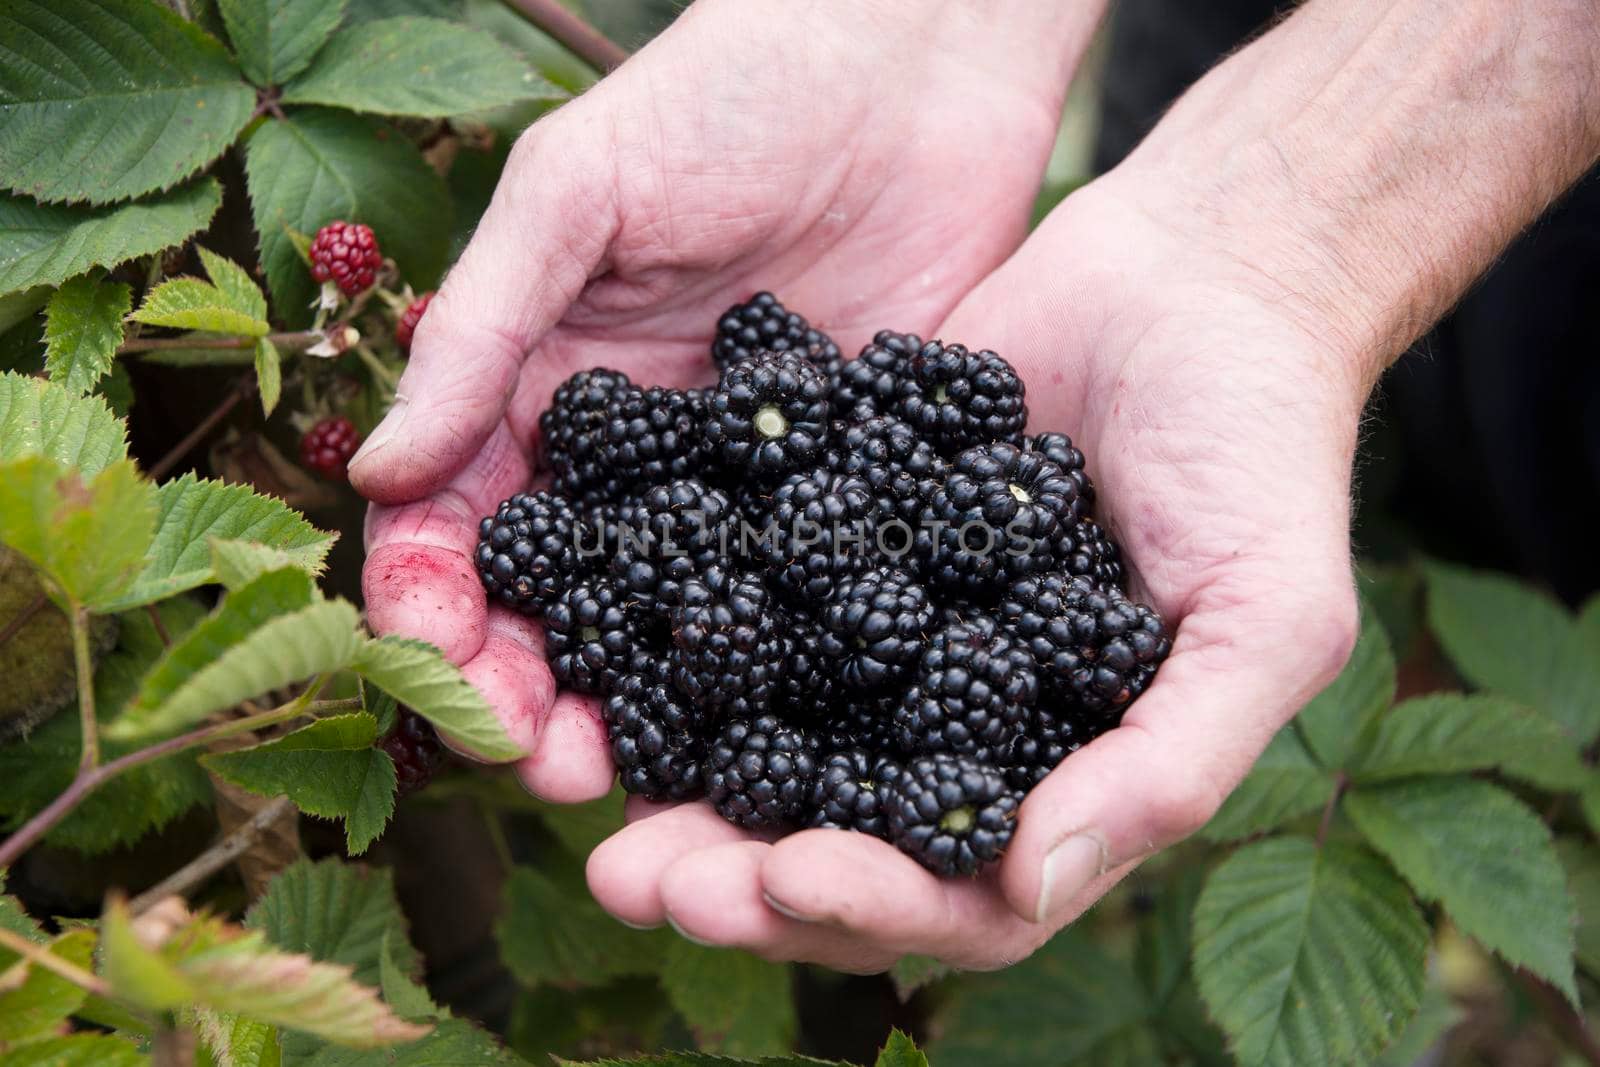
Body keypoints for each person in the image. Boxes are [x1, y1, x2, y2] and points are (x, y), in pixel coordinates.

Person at [347, 0, 1600, 972]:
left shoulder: (903, 571)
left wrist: (1286, 257)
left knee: (1502, 507)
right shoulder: (781, 558)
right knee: (1431, 509)